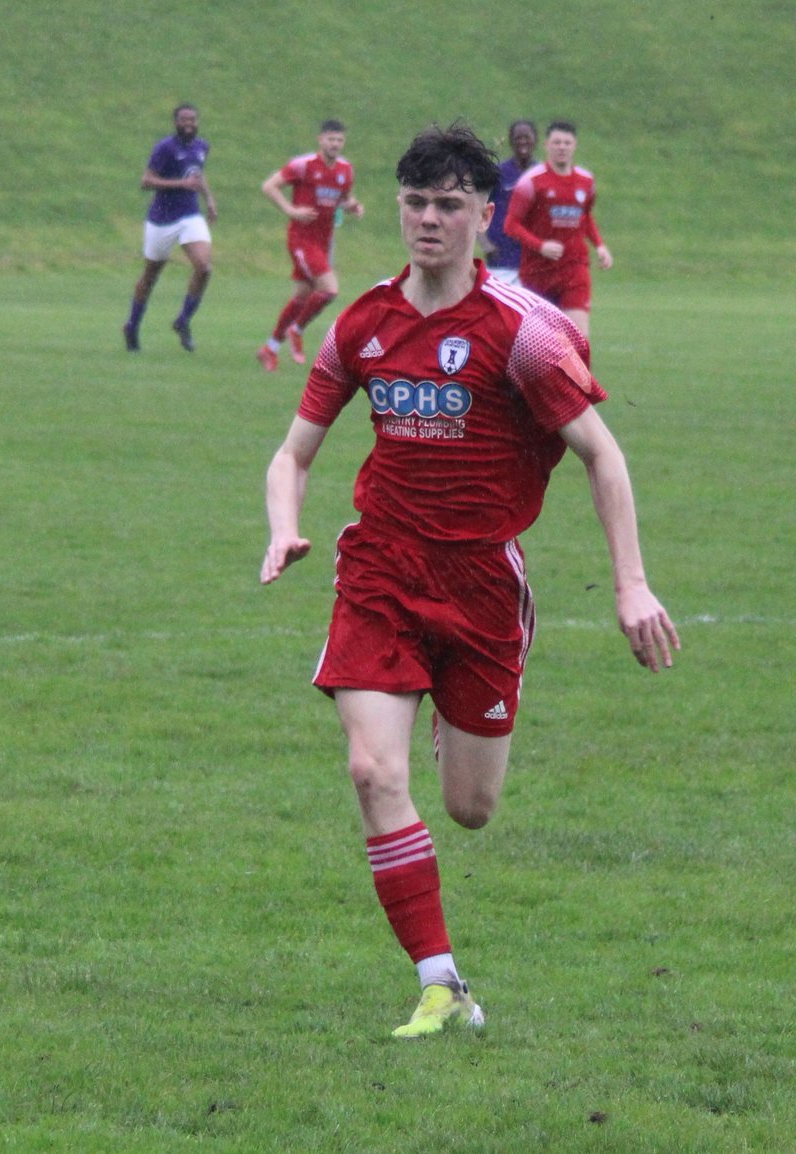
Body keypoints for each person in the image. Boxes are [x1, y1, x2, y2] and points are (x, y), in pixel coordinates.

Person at [260, 123, 678, 1039]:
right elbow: (291, 456)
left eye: (450, 204)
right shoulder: (364, 322)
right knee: (373, 770)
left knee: (471, 808)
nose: (428, 220)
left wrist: (631, 585)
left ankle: (456, 722)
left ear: (488, 215)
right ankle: (442, 982)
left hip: (484, 582)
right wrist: (285, 527)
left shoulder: (524, 333)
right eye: (415, 203)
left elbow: (604, 458)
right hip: (379, 568)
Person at [256, 119, 364, 372]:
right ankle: (297, 329)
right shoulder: (303, 166)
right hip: (302, 240)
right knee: (329, 290)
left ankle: (269, 349)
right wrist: (290, 210)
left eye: (339, 140)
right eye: (330, 139)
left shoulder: (345, 170)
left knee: (302, 296)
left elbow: (343, 200)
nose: (334, 144)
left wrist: (353, 207)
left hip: (324, 241)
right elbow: (269, 186)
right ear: (321, 140)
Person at [502, 120, 612, 337]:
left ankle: (579, 372)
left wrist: (599, 245)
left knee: (577, 339)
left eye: (567, 143)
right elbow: (511, 225)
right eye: (557, 142)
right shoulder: (531, 182)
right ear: (547, 146)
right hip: (538, 272)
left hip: (574, 269)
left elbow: (585, 216)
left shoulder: (586, 181)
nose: (562, 147)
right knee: (540, 344)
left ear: (575, 146)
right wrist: (540, 246)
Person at [123, 104, 217, 353]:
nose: (189, 123)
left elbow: (197, 176)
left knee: (204, 267)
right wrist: (180, 183)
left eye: (193, 119)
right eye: (184, 119)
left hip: (190, 216)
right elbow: (146, 181)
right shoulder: (165, 148)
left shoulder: (201, 146)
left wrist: (208, 199)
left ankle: (183, 320)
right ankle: (132, 326)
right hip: (162, 219)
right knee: (150, 276)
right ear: (176, 123)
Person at [479, 120, 537, 283]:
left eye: (527, 137)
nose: (523, 141)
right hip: (501, 259)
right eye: (518, 137)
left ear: (535, 140)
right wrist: (486, 244)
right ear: (511, 141)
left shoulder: (542, 173)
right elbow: (477, 208)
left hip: (534, 259)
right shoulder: (499, 173)